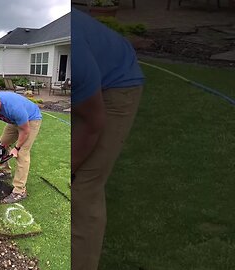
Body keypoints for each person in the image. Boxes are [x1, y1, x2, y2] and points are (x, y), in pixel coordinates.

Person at [71, 6, 145, 270]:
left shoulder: (75, 58)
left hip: (117, 84)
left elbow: (92, 123)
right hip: (90, 76)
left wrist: (71, 169)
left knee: (81, 189)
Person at [0, 92, 42, 203]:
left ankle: (20, 191)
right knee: (2, 144)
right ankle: (5, 171)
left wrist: (17, 148)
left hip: (30, 120)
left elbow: (25, 131)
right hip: (14, 121)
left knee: (22, 153)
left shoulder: (14, 108)